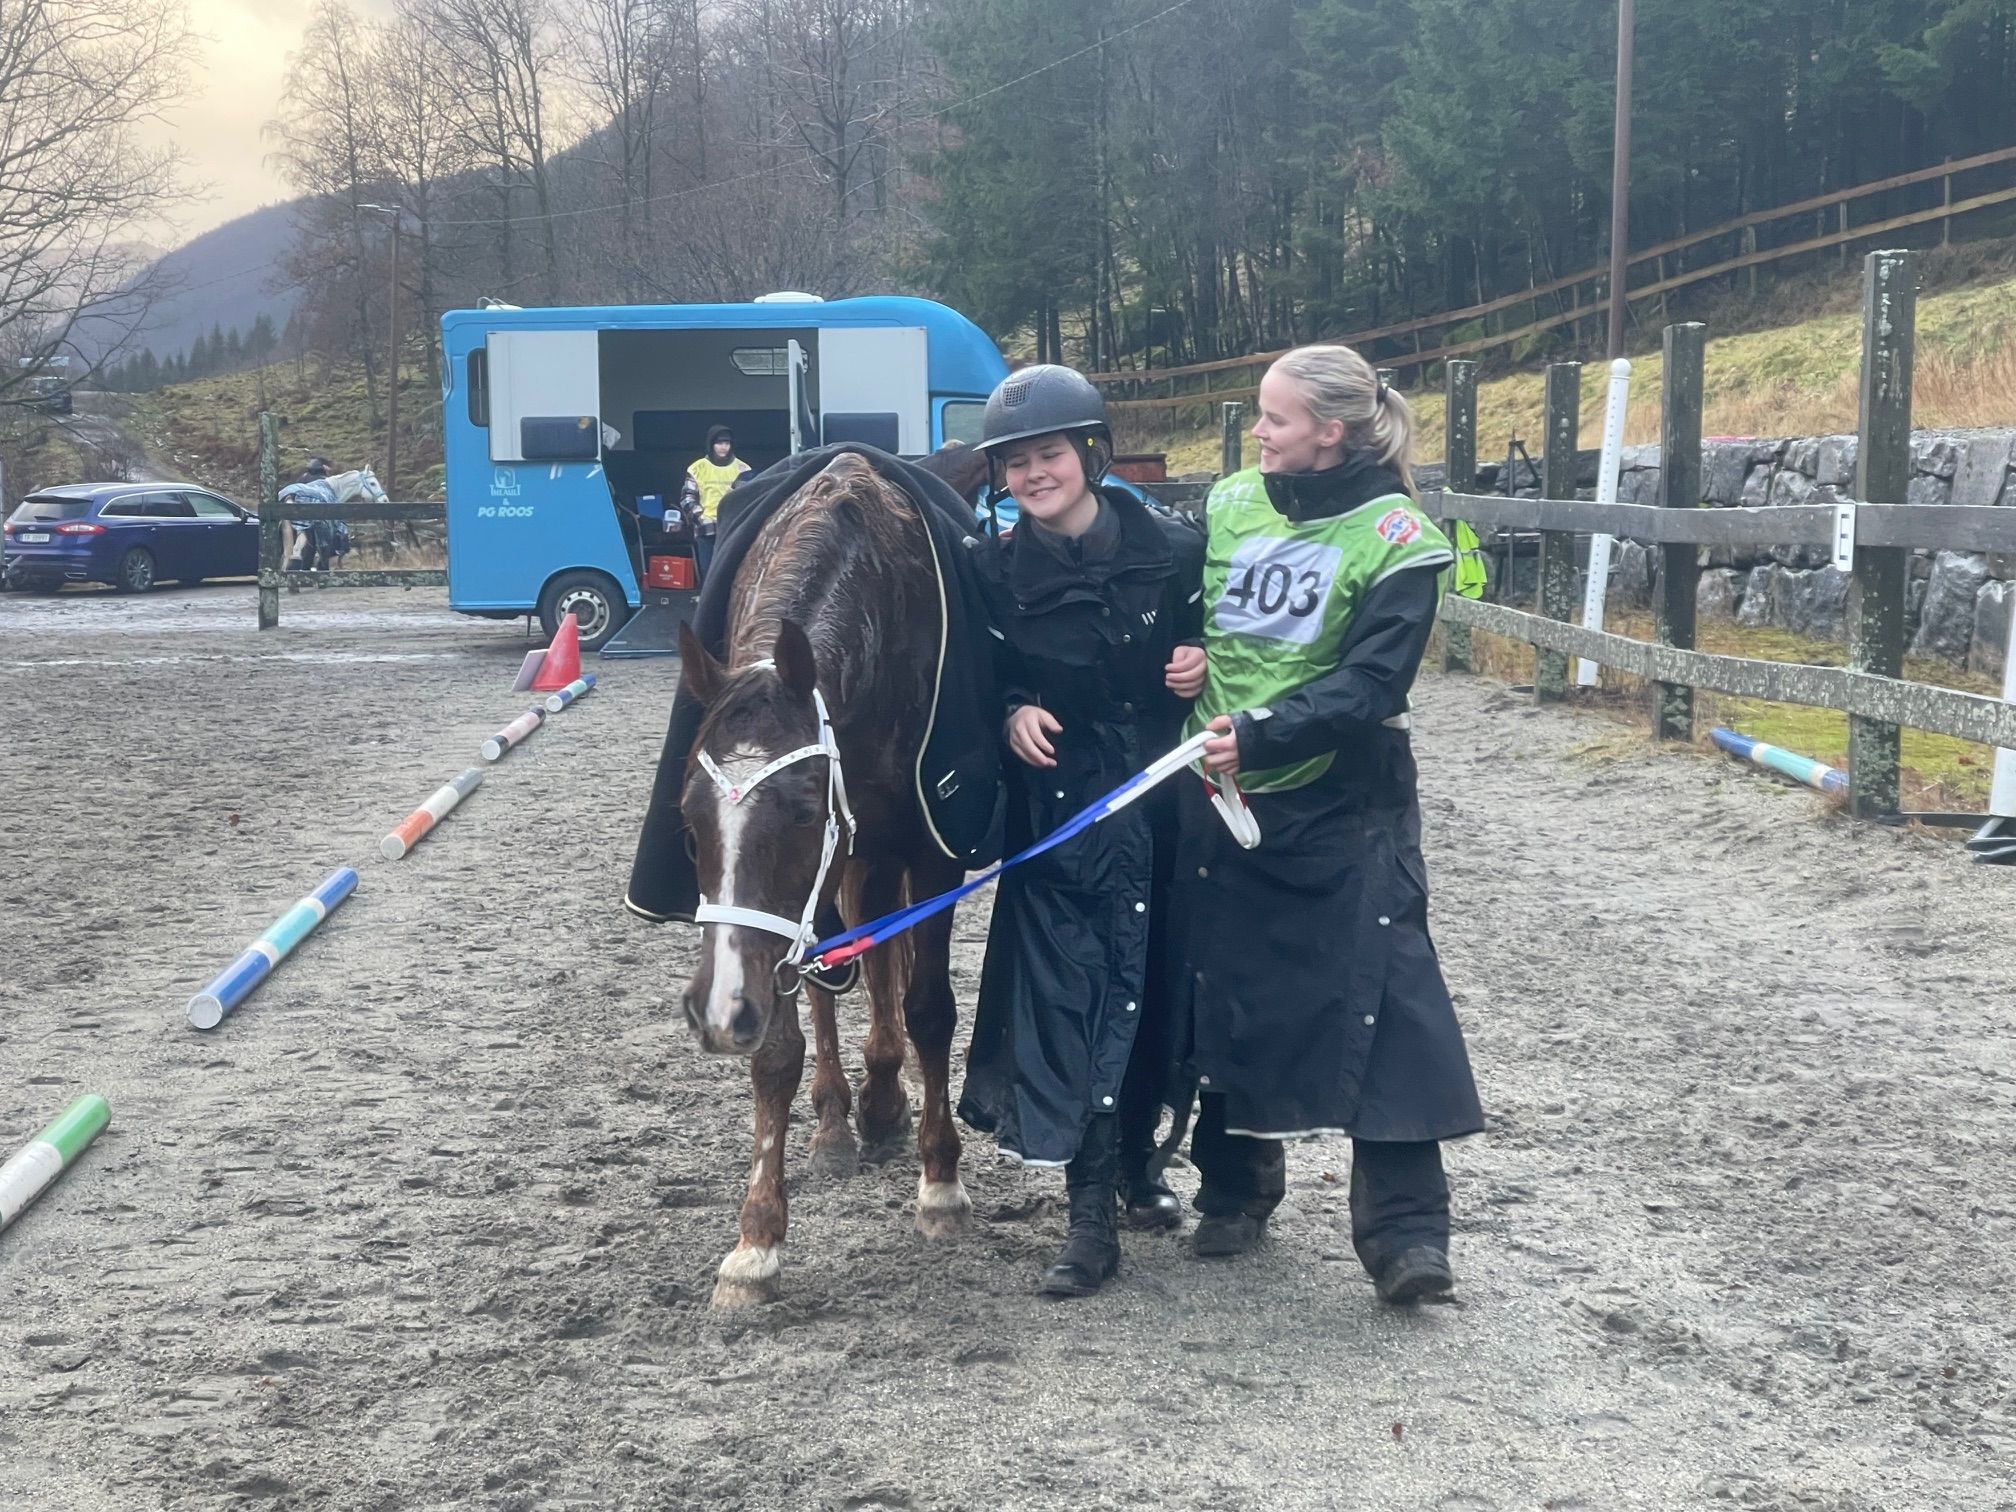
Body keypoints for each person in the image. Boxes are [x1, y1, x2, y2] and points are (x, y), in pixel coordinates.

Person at [1171, 343, 1484, 1306]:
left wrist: (1264, 732)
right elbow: (1186, 603)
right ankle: (1235, 1187)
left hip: (1344, 796)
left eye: (1275, 418)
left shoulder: (1399, 538)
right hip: (1220, 791)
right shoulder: (1232, 501)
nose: (1258, 433)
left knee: (1385, 996)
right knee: (1228, 983)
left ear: (1332, 432)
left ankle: (1406, 1234)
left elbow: (1372, 681)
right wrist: (1183, 651)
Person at [956, 365, 1207, 1298]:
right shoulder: (989, 573)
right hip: (1064, 818)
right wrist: (1013, 709)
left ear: (1091, 455)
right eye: (1015, 462)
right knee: (1072, 1001)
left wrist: (1204, 659)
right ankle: (1088, 1215)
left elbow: (1231, 643)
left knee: (1158, 990)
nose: (1033, 474)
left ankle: (1143, 1163)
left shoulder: (1176, 550)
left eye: (1049, 454)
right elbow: (978, 682)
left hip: (1168, 804)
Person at [686, 425, 750, 582]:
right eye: (719, 443)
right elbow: (687, 498)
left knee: (733, 574)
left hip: (733, 529)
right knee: (709, 574)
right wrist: (701, 518)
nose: (723, 447)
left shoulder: (743, 469)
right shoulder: (697, 468)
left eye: (727, 443)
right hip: (706, 529)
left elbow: (748, 499)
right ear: (711, 444)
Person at [280, 458, 341, 571]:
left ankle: (295, 563)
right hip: (314, 519)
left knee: (301, 543)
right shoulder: (324, 482)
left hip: (297, 515)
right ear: (323, 468)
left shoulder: (303, 478)